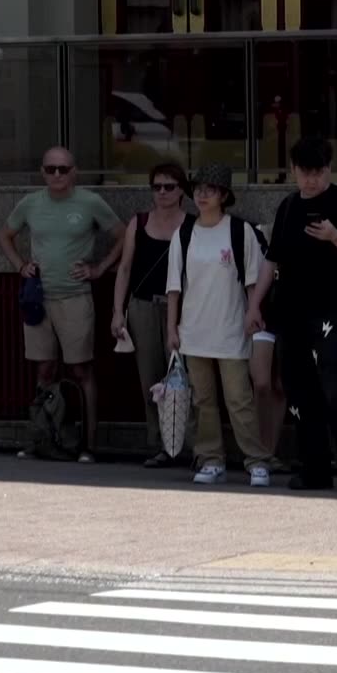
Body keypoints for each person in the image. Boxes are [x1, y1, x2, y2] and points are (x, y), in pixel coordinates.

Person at [247, 137, 337, 496]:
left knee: (336, 390)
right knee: (300, 393)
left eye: (317, 172)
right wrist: (255, 304)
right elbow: (272, 259)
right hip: (290, 311)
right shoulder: (287, 207)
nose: (311, 180)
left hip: (329, 310)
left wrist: (335, 236)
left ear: (328, 169)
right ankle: (314, 465)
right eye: (304, 173)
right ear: (293, 171)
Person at [0, 146, 125, 463]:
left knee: (81, 369)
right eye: (51, 169)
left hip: (75, 296)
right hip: (39, 296)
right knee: (44, 369)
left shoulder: (90, 201)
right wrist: (20, 265)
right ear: (42, 172)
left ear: (74, 171)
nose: (57, 174)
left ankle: (88, 444)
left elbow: (123, 235)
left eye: (63, 169)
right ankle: (43, 437)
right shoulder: (31, 203)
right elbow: (5, 235)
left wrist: (99, 268)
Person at [166, 164, 280, 487]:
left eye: (210, 190)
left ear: (223, 196)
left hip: (231, 328)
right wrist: (172, 328)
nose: (202, 195)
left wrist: (252, 311)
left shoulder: (239, 231)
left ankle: (257, 461)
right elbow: (174, 286)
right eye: (199, 189)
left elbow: (254, 280)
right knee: (203, 400)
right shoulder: (184, 233)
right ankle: (210, 459)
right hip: (193, 330)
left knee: (238, 398)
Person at [110, 162, 190, 468]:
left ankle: (192, 445)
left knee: (185, 376)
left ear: (182, 189)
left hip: (182, 308)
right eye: (156, 187)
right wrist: (118, 312)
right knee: (150, 377)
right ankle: (157, 443)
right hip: (143, 304)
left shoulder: (192, 224)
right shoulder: (139, 221)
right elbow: (125, 268)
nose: (162, 193)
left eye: (169, 186)